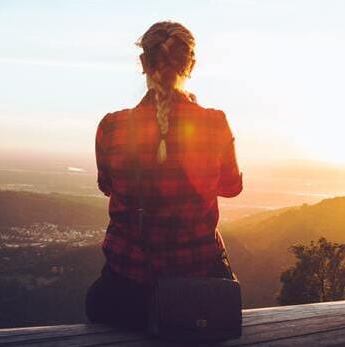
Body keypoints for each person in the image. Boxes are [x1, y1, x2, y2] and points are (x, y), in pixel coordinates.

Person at [86, 21, 243, 330]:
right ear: (191, 66)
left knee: (95, 304)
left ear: (144, 63)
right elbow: (231, 187)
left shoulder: (112, 127)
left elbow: (108, 186)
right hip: (198, 288)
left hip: (126, 291)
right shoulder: (214, 124)